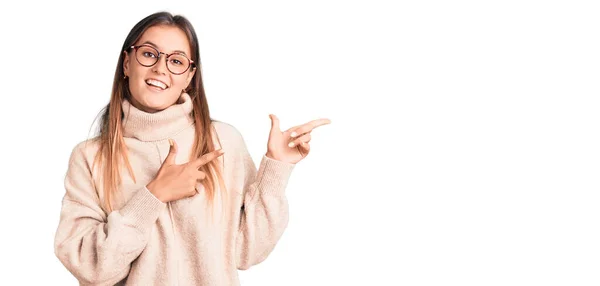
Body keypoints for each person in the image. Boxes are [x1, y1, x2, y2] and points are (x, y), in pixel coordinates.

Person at [53, 11, 330, 285]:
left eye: (176, 61)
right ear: (127, 63)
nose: (161, 68)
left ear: (189, 77)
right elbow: (91, 269)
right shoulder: (90, 158)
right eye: (149, 54)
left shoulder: (222, 141)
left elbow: (247, 251)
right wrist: (154, 195)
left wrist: (276, 168)